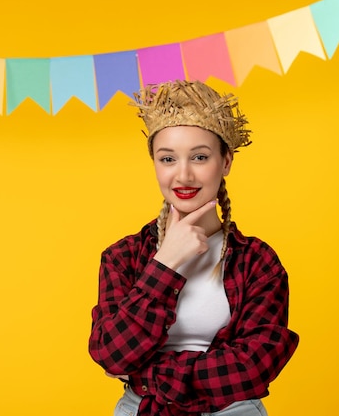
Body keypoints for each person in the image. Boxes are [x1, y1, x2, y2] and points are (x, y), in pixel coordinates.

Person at [88, 80, 299, 416]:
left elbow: (253, 367)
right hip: (140, 408)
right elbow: (112, 353)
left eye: (200, 157)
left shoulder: (258, 262)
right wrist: (167, 263)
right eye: (168, 158)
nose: (183, 175)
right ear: (155, 164)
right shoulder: (123, 256)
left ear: (226, 161)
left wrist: (150, 375)